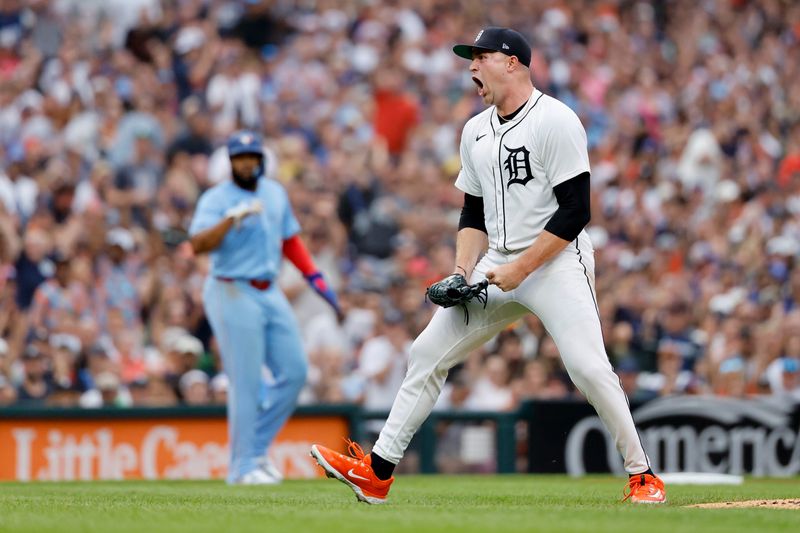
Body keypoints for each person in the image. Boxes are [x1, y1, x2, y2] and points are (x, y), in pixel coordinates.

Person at [311, 27, 666, 504]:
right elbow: (471, 213)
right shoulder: (474, 129)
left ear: (512, 62)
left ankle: (642, 474)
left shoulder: (556, 120)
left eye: (480, 57)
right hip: (496, 263)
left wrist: (522, 269)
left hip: (556, 261)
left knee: (587, 367)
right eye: (469, 59)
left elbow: (577, 210)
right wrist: (462, 270)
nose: (472, 67)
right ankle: (377, 472)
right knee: (425, 353)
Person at [190, 130, 340, 485]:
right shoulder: (216, 198)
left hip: (268, 288)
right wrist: (230, 220)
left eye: (252, 157)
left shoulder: (274, 193)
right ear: (230, 162)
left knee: (295, 371)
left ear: (260, 160)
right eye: (240, 158)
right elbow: (197, 244)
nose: (246, 163)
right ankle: (242, 467)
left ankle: (254, 452)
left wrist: (314, 277)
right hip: (230, 287)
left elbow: (289, 239)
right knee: (246, 381)